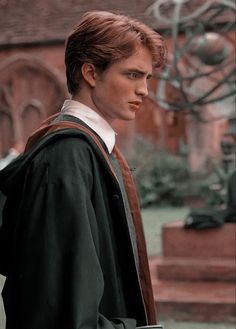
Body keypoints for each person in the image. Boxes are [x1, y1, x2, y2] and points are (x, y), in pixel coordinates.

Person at [0, 11, 167, 329]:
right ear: (91, 73)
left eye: (147, 77)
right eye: (132, 75)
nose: (144, 90)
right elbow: (60, 308)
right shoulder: (67, 156)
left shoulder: (91, 148)